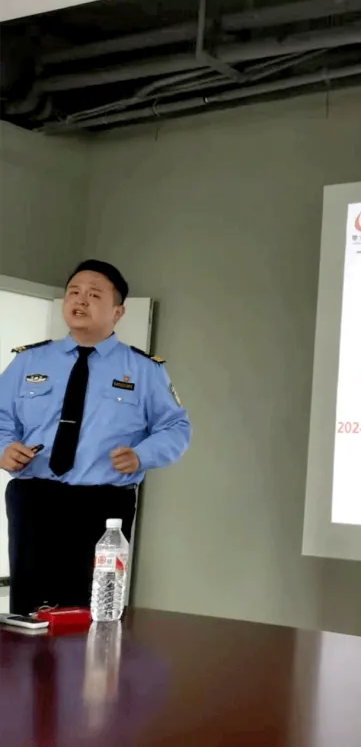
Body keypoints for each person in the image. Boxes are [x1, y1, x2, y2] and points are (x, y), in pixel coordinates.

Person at [0, 260, 191, 615]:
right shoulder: (29, 361)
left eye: (93, 294)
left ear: (118, 311)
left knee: (90, 611)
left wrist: (142, 455)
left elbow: (176, 427)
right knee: (28, 611)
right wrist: (4, 448)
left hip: (103, 507)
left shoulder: (143, 370)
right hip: (34, 499)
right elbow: (1, 419)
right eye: (73, 292)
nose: (80, 299)